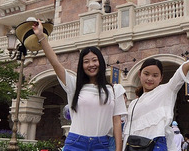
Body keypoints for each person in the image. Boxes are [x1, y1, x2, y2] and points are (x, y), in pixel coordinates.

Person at [34, 19, 126, 151]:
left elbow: (117, 122)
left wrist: (118, 150)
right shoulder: (74, 85)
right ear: (82, 66)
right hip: (76, 143)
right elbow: (55, 63)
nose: (91, 65)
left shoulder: (114, 90)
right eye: (86, 61)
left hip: (101, 144)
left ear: (101, 62)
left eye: (94, 60)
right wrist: (41, 36)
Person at [123, 42, 189, 151]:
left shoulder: (166, 90)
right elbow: (128, 132)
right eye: (146, 74)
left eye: (155, 75)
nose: (150, 78)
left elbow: (185, 68)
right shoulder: (133, 103)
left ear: (161, 78)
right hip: (134, 146)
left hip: (155, 145)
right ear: (139, 74)